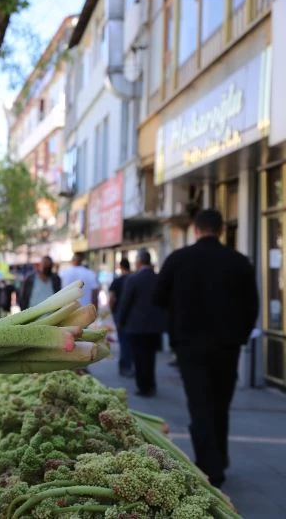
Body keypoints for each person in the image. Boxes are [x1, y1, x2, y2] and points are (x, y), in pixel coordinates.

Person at [154, 209, 258, 489]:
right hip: (227, 346)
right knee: (220, 404)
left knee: (199, 404)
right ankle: (219, 458)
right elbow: (252, 306)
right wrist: (240, 336)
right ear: (221, 230)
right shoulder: (239, 262)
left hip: (190, 345)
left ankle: (209, 466)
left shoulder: (179, 259)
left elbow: (158, 296)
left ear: (196, 230)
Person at [116, 249, 166, 397]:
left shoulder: (133, 279)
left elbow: (125, 303)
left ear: (138, 262)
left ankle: (143, 386)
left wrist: (121, 321)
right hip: (154, 326)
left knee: (139, 357)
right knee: (150, 357)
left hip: (136, 326)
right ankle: (151, 385)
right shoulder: (158, 279)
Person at [109, 258, 133, 377]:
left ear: (121, 267)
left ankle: (125, 366)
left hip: (120, 314)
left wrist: (112, 310)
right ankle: (130, 365)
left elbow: (111, 298)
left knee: (123, 341)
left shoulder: (117, 281)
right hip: (133, 316)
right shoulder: (134, 278)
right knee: (131, 341)